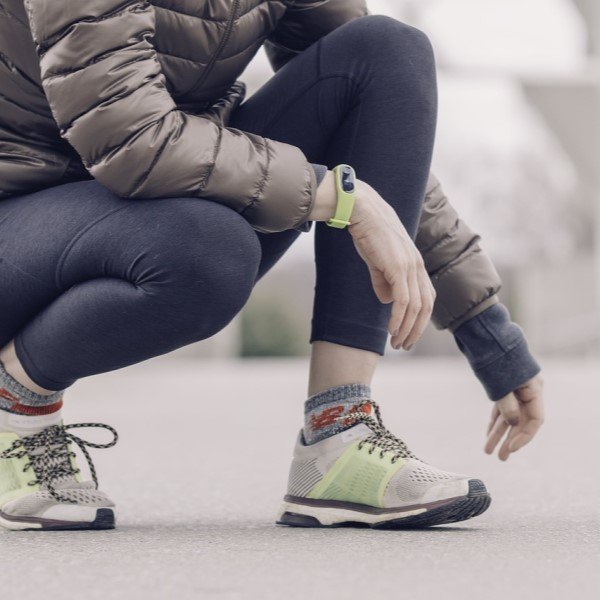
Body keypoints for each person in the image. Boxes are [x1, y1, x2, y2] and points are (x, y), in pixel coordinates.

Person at [0, 0, 543, 531]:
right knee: (208, 251)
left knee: (386, 51)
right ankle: (17, 402)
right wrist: (340, 198)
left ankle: (339, 433)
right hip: (20, 217)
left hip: (149, 206)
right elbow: (131, 139)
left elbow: (381, 139)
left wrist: (486, 329)